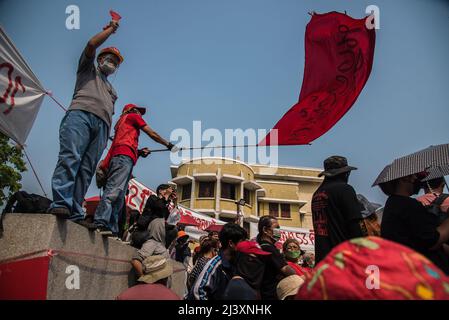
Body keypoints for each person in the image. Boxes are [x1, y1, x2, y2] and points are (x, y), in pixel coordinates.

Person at [48, 18, 122, 225]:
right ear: (100, 60)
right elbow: (91, 45)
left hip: (102, 127)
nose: (112, 63)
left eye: (115, 62)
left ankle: (74, 210)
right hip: (80, 115)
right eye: (109, 58)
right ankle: (61, 202)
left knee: (87, 169)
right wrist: (110, 30)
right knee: (71, 157)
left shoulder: (112, 91)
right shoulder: (87, 70)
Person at [92, 104, 174, 235]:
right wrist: (168, 145)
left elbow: (119, 145)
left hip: (122, 157)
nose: (140, 114)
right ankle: (100, 222)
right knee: (114, 192)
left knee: (119, 197)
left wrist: (138, 152)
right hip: (123, 158)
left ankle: (111, 229)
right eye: (138, 111)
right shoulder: (132, 116)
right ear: (130, 110)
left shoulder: (121, 123)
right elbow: (151, 133)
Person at [379, 174, 449, 275]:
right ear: (404, 178)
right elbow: (432, 241)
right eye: (412, 176)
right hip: (426, 274)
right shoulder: (408, 206)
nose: (416, 178)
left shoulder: (393, 203)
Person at [312, 156, 365, 264]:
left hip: (323, 261)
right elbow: (354, 226)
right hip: (342, 259)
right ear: (345, 173)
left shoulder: (317, 194)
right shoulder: (345, 189)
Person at [189, 223, 248, 300]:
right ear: (231, 243)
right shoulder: (215, 265)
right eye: (241, 242)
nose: (244, 245)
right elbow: (198, 292)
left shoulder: (236, 263)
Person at [257, 216, 296, 300]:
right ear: (265, 230)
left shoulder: (261, 247)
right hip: (272, 294)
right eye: (276, 228)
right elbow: (287, 270)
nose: (279, 231)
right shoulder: (268, 248)